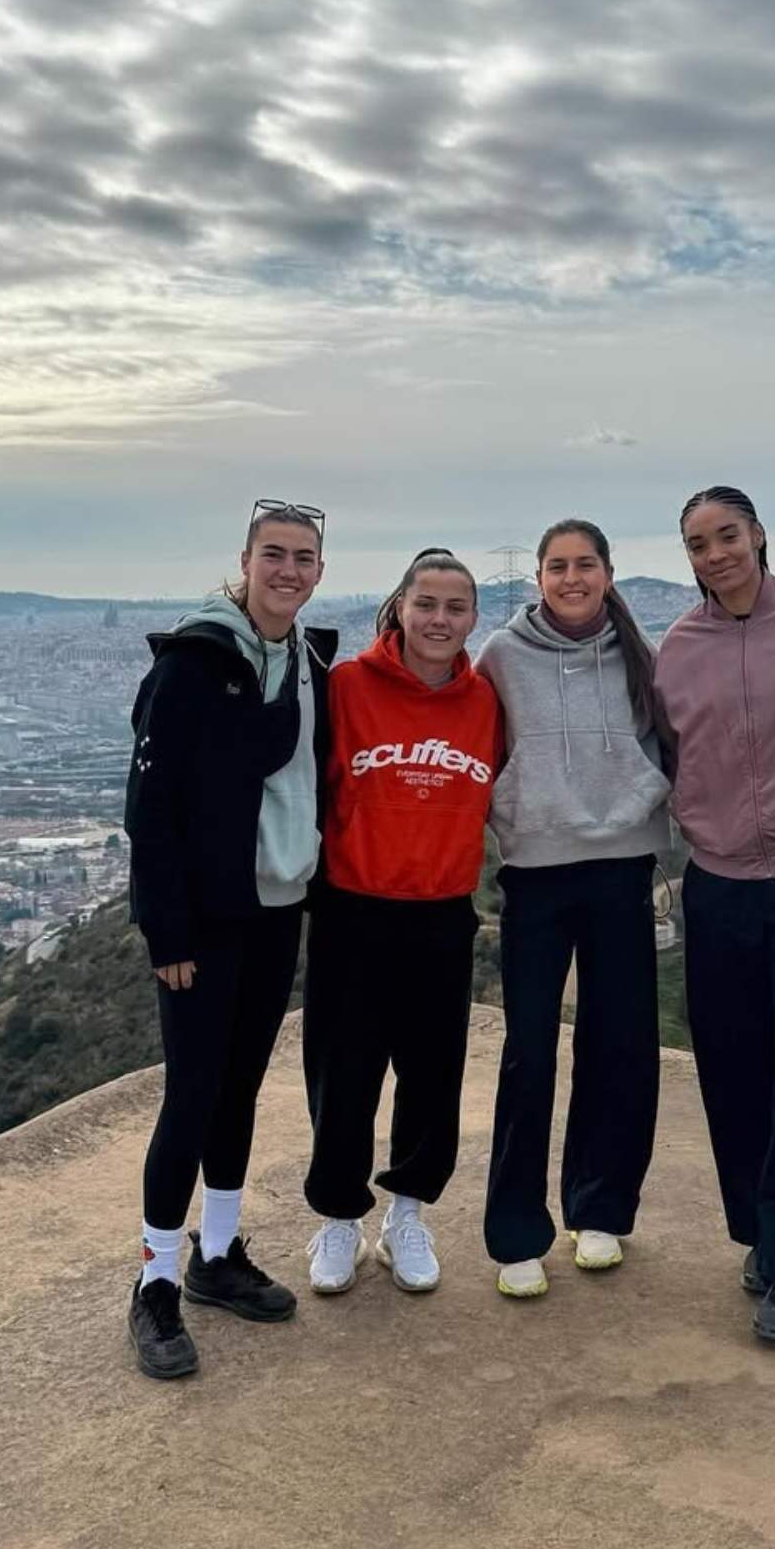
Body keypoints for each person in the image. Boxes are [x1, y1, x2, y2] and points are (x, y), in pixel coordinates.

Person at [122, 501, 335, 1380]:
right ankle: (156, 1282)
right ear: (244, 561)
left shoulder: (312, 660)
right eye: (273, 555)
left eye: (304, 557)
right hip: (204, 917)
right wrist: (163, 928)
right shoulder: (194, 663)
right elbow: (151, 809)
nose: (288, 570)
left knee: (241, 1088)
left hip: (277, 905)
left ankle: (216, 1253)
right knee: (193, 1094)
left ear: (320, 570)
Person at [653, 486, 775, 1344]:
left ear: (759, 534)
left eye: (728, 535)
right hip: (717, 883)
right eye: (699, 543)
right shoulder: (677, 648)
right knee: (730, 1073)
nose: (716, 553)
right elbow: (666, 756)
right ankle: (761, 1239)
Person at [476, 519, 672, 1299]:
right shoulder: (502, 656)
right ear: (538, 577)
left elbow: (670, 742)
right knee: (529, 1049)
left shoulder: (639, 653)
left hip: (623, 864)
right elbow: (478, 746)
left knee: (619, 1044)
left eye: (584, 565)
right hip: (536, 871)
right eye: (557, 567)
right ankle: (517, 1232)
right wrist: (510, 813)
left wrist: (640, 797)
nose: (571, 578)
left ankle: (602, 1210)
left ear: (608, 572)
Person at [302, 550, 502, 1297]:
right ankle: (338, 1217)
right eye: (427, 604)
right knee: (342, 1073)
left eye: (456, 608)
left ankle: (407, 1214)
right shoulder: (347, 686)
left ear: (473, 618)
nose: (440, 620)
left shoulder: (486, 702)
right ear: (400, 607)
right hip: (352, 908)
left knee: (431, 1075)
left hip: (443, 913)